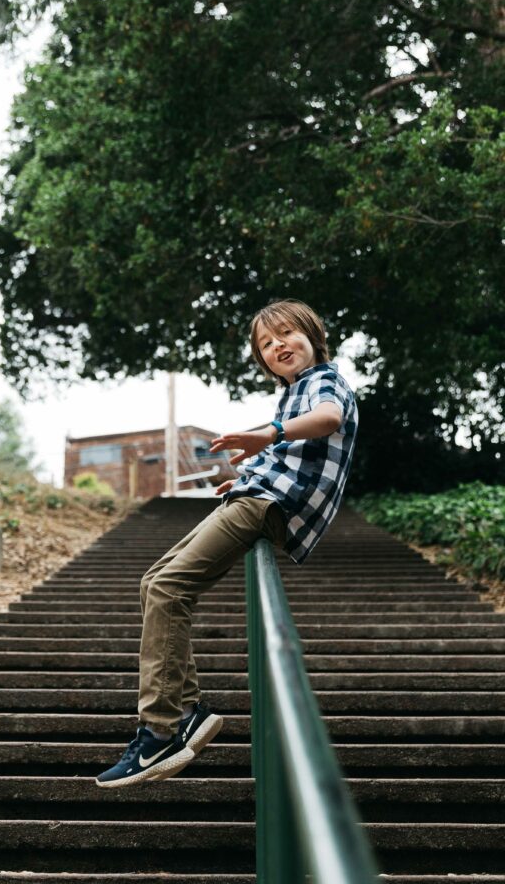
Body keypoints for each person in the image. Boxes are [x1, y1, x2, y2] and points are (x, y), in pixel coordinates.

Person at [95, 298, 358, 788]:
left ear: (313, 336)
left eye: (287, 334)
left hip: (267, 507)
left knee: (169, 587)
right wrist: (249, 473)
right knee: (155, 581)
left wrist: (268, 435)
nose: (278, 345)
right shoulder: (294, 391)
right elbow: (299, 452)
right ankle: (188, 710)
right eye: (266, 343)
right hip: (257, 497)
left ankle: (160, 731)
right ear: (262, 361)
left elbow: (327, 420)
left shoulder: (324, 380)